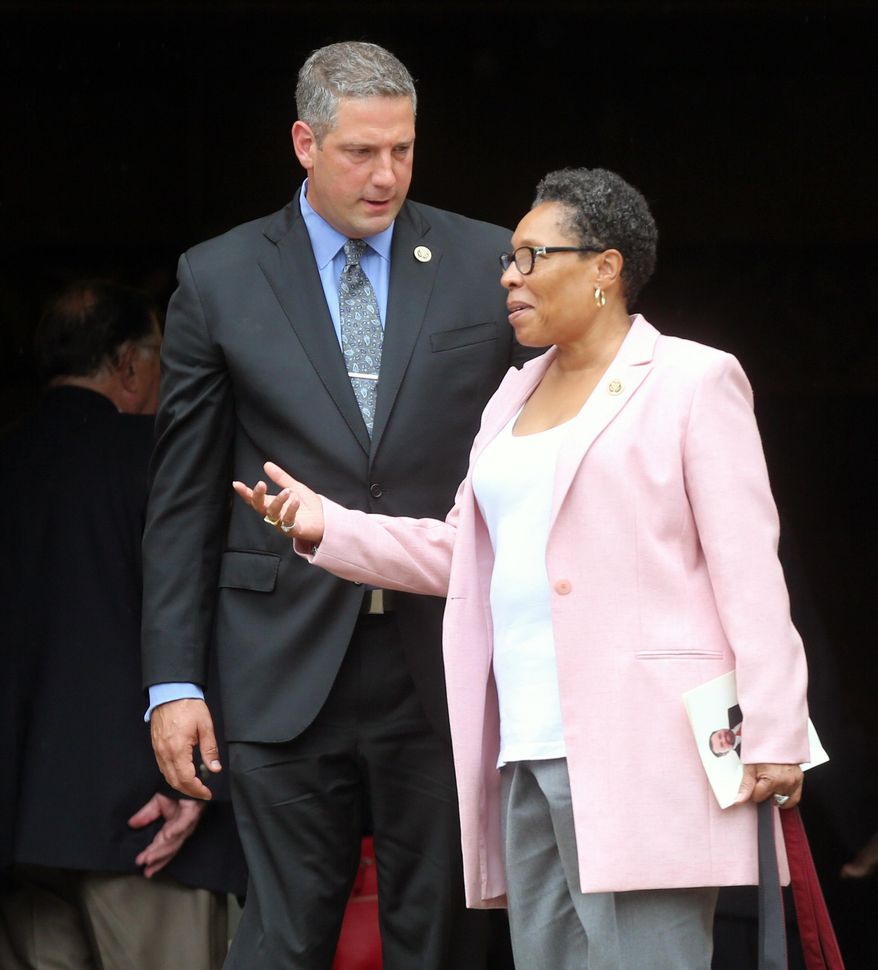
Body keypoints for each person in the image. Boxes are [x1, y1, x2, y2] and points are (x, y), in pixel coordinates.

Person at [235, 168, 812, 969]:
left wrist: (776, 731)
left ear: (604, 268)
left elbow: (750, 569)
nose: (509, 276)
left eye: (533, 257)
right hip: (525, 744)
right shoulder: (512, 396)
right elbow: (464, 556)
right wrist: (327, 525)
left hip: (647, 746)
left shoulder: (692, 380)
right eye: (510, 259)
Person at [141, 41, 533, 969]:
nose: (387, 174)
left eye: (403, 149)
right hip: (277, 657)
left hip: (442, 654)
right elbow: (183, 499)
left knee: (443, 938)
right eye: (362, 151)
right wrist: (173, 682)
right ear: (304, 143)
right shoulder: (219, 276)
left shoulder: (488, 261)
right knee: (282, 938)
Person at [0, 280, 246, 970]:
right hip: (144, 818)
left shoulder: (10, 461)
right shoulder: (154, 458)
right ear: (132, 365)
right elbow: (210, 615)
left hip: (20, 828)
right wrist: (200, 776)